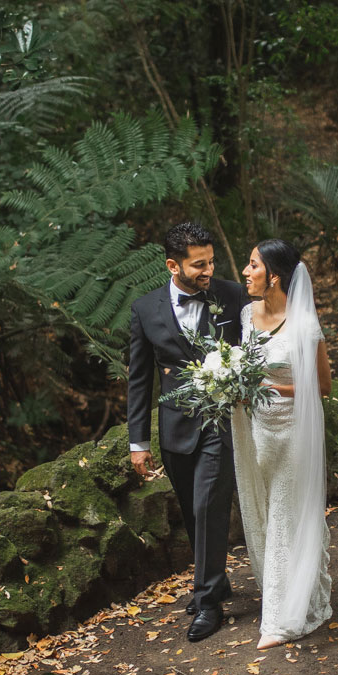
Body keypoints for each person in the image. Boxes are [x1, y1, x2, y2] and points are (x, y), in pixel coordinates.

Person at [125, 222, 251, 642]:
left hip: (221, 423)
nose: (208, 270)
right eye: (199, 264)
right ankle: (216, 582)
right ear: (172, 265)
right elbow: (139, 380)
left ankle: (208, 601)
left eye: (211, 261)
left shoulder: (231, 295)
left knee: (209, 506)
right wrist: (138, 442)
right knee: (193, 510)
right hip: (175, 429)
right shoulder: (145, 310)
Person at [232, 239, 333, 650]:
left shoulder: (305, 323)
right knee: (267, 510)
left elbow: (322, 385)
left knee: (285, 512)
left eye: (252, 264)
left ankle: (280, 618)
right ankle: (302, 587)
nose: (244, 271)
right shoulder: (245, 314)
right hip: (257, 430)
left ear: (273, 276)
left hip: (294, 431)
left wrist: (272, 386)